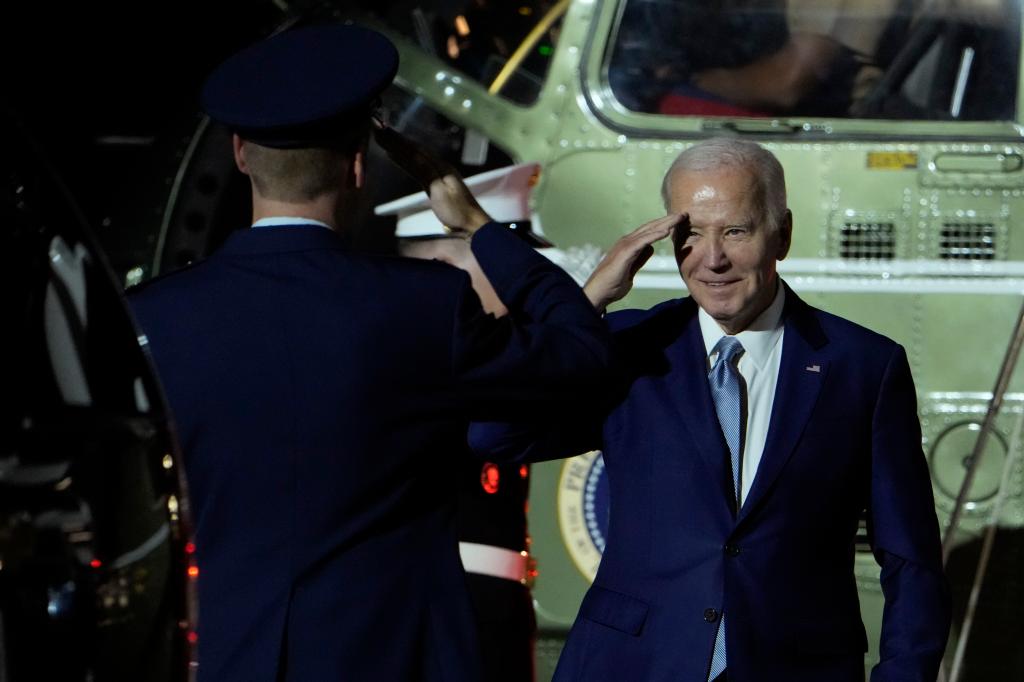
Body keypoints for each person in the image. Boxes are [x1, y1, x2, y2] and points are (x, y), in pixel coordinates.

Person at [127, 24, 610, 682]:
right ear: (359, 163)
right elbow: (581, 356)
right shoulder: (424, 307)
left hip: (225, 659)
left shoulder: (155, 317)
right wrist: (477, 227)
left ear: (240, 153)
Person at [471, 138, 951, 681]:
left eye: (736, 231)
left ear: (783, 234)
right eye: (690, 235)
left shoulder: (864, 367)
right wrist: (585, 305)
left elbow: (911, 558)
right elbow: (496, 433)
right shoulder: (626, 348)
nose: (712, 259)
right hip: (630, 665)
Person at [382, 162, 550, 682]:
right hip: (437, 611)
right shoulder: (408, 361)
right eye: (500, 259)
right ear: (444, 267)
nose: (515, 273)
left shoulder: (490, 355)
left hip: (490, 609)